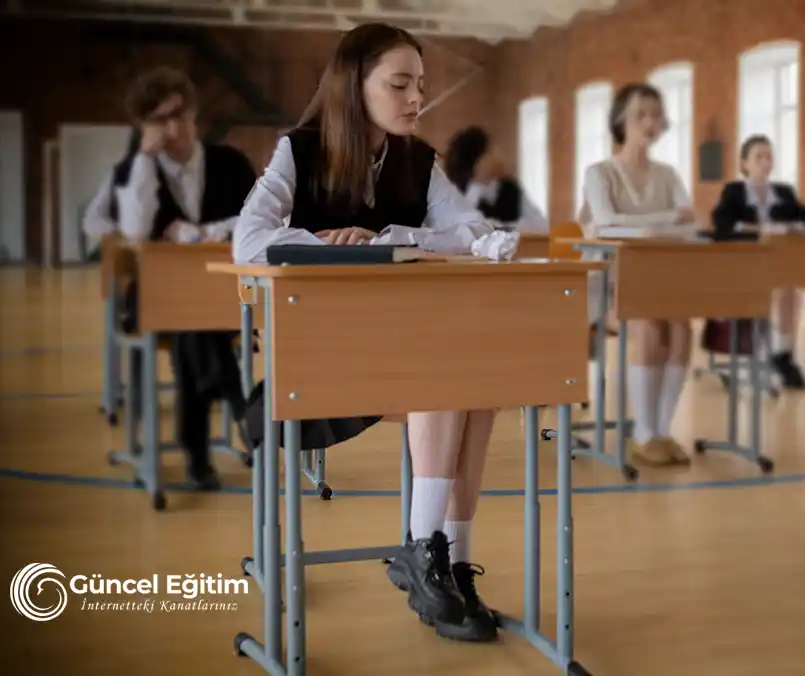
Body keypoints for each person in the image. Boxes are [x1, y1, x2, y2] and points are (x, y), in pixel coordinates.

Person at [231, 23, 512, 643]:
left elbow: (473, 232)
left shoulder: (417, 160)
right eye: (400, 84)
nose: (417, 98)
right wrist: (325, 243)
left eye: (421, 85)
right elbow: (247, 241)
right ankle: (425, 550)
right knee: (447, 373)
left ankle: (449, 566)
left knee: (478, 385)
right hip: (323, 356)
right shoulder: (299, 151)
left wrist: (389, 237)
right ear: (353, 86)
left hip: (402, 347)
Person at [82, 66, 257, 491]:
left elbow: (257, 220)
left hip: (222, 293)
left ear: (194, 112)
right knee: (190, 324)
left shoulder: (230, 163)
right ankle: (239, 411)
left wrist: (205, 232)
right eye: (159, 120)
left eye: (178, 114)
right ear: (143, 126)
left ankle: (199, 455)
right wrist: (144, 161)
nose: (173, 129)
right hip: (158, 298)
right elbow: (136, 230)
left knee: (196, 326)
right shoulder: (132, 170)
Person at [578, 82, 698, 468]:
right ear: (620, 120)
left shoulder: (667, 174)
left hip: (657, 281)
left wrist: (646, 226)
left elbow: (689, 223)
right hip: (605, 288)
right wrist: (662, 221)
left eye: (656, 114)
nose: (650, 122)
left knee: (681, 327)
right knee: (648, 324)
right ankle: (644, 434)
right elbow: (606, 223)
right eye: (640, 114)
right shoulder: (599, 173)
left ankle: (660, 431)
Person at [710, 134, 805, 389]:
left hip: (778, 265)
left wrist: (796, 227)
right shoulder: (735, 191)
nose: (765, 162)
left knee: (790, 291)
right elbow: (722, 225)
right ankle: (772, 354)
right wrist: (761, 230)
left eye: (769, 156)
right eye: (759, 157)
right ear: (745, 162)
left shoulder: (782, 192)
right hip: (741, 264)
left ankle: (782, 354)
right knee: (778, 289)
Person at [443, 125, 549, 234]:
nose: (498, 155)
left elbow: (542, 226)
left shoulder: (510, 188)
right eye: (491, 151)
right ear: (478, 161)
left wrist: (506, 228)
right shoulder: (458, 194)